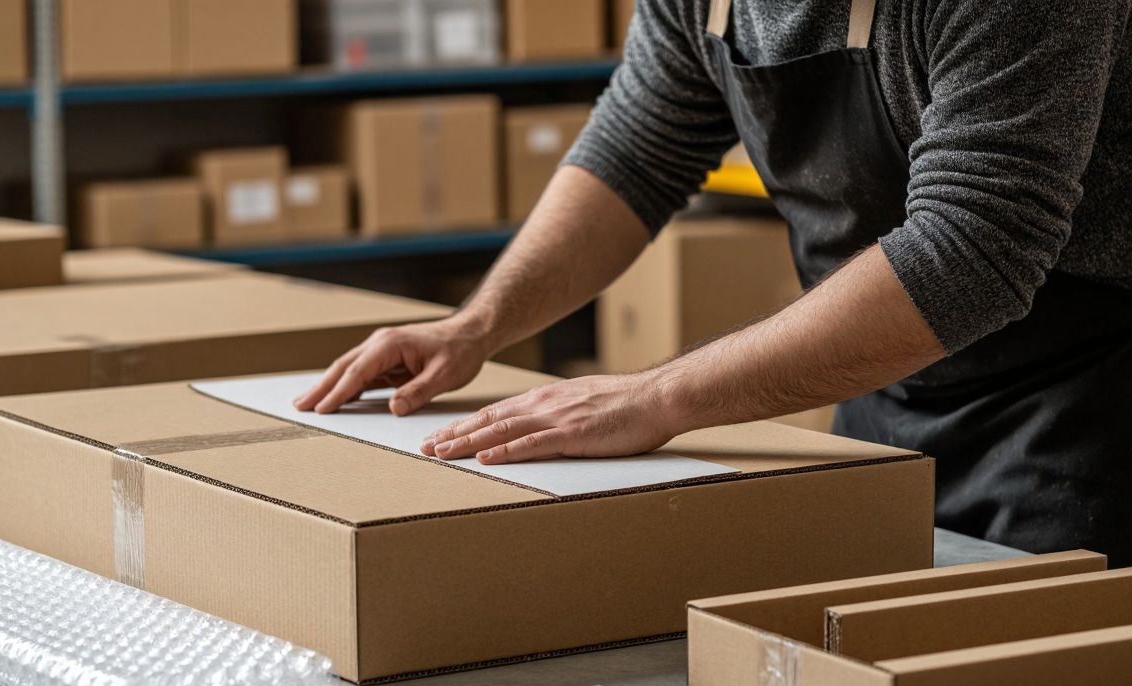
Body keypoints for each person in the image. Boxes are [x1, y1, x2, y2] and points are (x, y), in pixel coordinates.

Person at [296, 0, 1132, 564]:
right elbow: (638, 148)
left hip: (1085, 406)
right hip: (886, 389)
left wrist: (655, 397)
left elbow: (975, 249)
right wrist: (475, 327)